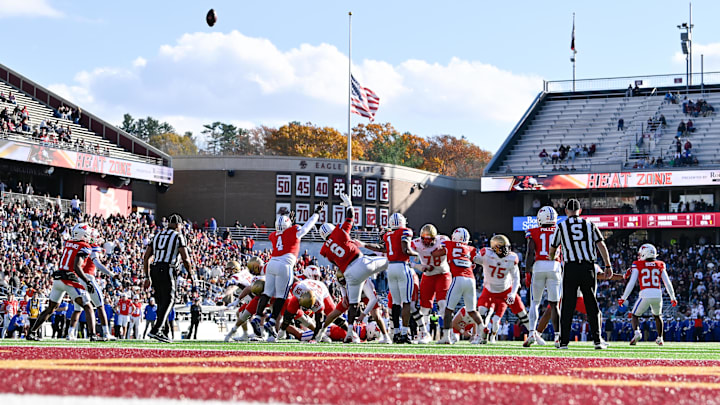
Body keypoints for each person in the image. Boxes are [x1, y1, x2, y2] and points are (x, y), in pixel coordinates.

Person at [320, 193, 389, 343]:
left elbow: (335, 261)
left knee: (352, 304)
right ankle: (389, 336)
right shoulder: (339, 232)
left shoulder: (325, 249)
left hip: (349, 273)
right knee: (390, 261)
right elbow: (350, 217)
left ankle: (349, 333)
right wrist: (349, 205)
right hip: (360, 263)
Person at [250, 203, 323, 341]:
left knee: (267, 293)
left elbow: (283, 234)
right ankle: (271, 322)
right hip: (285, 264)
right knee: (281, 296)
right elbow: (307, 226)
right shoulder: (294, 230)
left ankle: (258, 316)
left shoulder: (273, 235)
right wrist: (316, 213)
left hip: (272, 263)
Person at [549, 199, 612, 350]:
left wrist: (552, 258)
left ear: (566, 211)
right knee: (591, 303)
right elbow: (601, 245)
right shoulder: (589, 224)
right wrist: (608, 265)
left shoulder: (561, 226)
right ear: (580, 211)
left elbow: (552, 249)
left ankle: (563, 342)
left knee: (567, 305)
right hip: (587, 267)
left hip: (570, 267)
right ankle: (597, 340)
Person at [27, 223, 102, 341]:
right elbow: (77, 267)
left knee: (51, 308)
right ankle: (93, 335)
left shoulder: (69, 243)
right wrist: (87, 281)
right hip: (70, 280)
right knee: (88, 307)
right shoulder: (84, 246)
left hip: (59, 278)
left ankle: (32, 332)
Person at [362, 212, 419, 344]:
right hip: (402, 266)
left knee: (395, 303)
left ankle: (396, 333)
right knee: (406, 302)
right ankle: (404, 334)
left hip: (390, 268)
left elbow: (383, 249)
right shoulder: (405, 231)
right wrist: (417, 254)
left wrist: (364, 245)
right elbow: (406, 250)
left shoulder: (387, 235)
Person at [143, 213, 195, 343]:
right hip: (168, 268)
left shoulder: (157, 235)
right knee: (171, 299)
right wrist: (191, 273)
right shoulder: (178, 236)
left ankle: (163, 332)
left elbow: (146, 257)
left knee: (161, 301)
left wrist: (147, 276)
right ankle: (156, 329)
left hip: (155, 268)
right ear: (178, 225)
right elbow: (185, 258)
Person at [618, 244, 677, 346]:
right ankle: (660, 338)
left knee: (635, 315)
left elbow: (631, 282)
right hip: (658, 293)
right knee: (658, 316)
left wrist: (624, 297)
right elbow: (667, 282)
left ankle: (637, 333)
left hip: (645, 293)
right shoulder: (660, 264)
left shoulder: (638, 264)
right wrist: (672, 297)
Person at [434, 228, 485, 345]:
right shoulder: (471, 249)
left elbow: (436, 253)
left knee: (448, 310)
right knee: (472, 310)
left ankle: (446, 337)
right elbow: (477, 261)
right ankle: (483, 330)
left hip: (458, 278)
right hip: (471, 280)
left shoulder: (449, 244)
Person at [474, 235, 529, 344]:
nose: (506, 251)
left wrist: (513, 294)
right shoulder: (486, 254)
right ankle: (479, 336)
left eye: (507, 248)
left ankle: (533, 334)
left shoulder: (511, 258)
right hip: (489, 290)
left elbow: (516, 277)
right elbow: (474, 258)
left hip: (506, 290)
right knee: (481, 311)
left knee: (522, 312)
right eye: (502, 248)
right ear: (494, 248)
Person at [524, 206, 561, 347]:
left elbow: (530, 252)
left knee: (535, 302)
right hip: (555, 266)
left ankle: (532, 332)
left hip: (539, 266)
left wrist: (527, 271)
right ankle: (557, 337)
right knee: (554, 304)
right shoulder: (559, 231)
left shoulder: (533, 231)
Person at [410, 224, 450, 344]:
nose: (427, 243)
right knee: (424, 308)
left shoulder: (443, 240)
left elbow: (449, 249)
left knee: (443, 305)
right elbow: (406, 256)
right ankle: (424, 333)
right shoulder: (416, 243)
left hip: (442, 274)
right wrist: (420, 266)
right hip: (428, 276)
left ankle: (448, 334)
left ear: (435, 238)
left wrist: (438, 252)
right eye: (424, 240)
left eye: (430, 240)